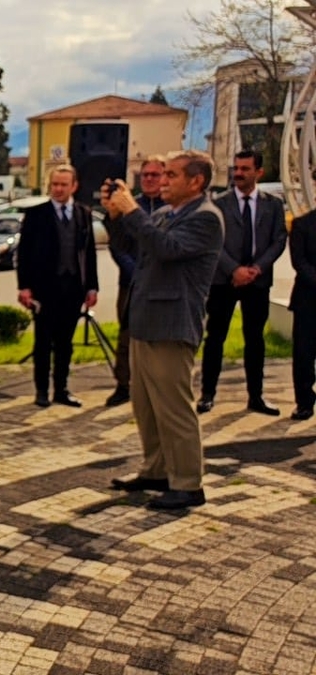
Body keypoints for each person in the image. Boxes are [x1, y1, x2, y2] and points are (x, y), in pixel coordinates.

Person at [103, 149, 224, 510]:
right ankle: (156, 470)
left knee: (173, 408)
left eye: (172, 175)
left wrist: (132, 211)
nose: (163, 181)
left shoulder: (205, 217)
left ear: (196, 181)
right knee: (146, 406)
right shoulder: (164, 214)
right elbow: (132, 246)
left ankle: (188, 483)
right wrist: (116, 216)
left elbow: (167, 249)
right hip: (145, 321)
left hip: (171, 324)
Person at [197, 149, 287, 416]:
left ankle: (256, 396)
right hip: (224, 281)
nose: (238, 173)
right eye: (236, 168)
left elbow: (279, 239)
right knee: (215, 337)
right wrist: (234, 269)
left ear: (259, 172)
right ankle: (207, 394)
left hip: (258, 282)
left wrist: (257, 269)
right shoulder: (219, 203)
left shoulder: (273, 205)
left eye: (245, 169)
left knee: (255, 339)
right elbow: (213, 241)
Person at [17, 165, 98, 407]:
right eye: (55, 184)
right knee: (43, 342)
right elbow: (24, 253)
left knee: (65, 343)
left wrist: (92, 287)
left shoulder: (84, 213)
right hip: (44, 289)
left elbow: (89, 252)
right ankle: (41, 390)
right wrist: (25, 286)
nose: (58, 189)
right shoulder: (36, 214)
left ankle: (61, 389)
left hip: (73, 288)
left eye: (63, 184)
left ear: (74, 186)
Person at [105, 155, 166, 407]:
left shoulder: (170, 206)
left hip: (162, 284)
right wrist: (135, 272)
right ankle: (123, 385)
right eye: (145, 175)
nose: (149, 179)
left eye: (154, 174)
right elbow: (117, 244)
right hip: (130, 282)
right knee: (126, 336)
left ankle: (157, 386)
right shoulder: (129, 204)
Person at [290, 190, 316, 421]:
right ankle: (304, 402)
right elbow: (299, 262)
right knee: (304, 354)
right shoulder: (301, 225)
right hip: (307, 300)